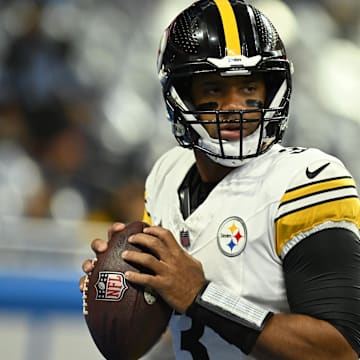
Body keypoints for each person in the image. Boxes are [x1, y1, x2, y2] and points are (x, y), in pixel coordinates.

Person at [80, 0, 360, 358]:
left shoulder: (307, 182)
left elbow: (342, 350)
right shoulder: (167, 175)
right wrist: (123, 288)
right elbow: (186, 330)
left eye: (248, 89)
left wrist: (203, 297)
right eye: (214, 89)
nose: (234, 106)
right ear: (181, 96)